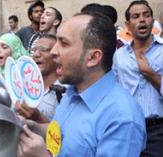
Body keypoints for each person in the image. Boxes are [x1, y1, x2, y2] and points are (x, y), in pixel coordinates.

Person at [17, 12, 146, 157]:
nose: (53, 51)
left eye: (64, 43)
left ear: (92, 57)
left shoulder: (122, 119)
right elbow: (65, 135)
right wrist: (32, 127)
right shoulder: (72, 92)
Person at [112, 1, 163, 156]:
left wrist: (150, 73)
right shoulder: (119, 56)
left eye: (146, 15)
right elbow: (114, 91)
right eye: (136, 16)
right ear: (128, 25)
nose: (142, 19)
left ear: (152, 21)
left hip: (158, 130)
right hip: (127, 128)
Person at [15, 34, 61, 123]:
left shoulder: (65, 93)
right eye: (34, 50)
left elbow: (63, 134)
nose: (36, 54)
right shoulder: (24, 86)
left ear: (57, 55)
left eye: (43, 49)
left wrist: (38, 118)